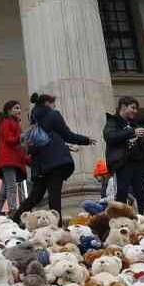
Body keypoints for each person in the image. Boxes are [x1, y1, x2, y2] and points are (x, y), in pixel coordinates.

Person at [13, 92, 93, 224]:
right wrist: (85, 140)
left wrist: (66, 147)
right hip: (56, 163)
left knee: (36, 196)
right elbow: (67, 135)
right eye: (53, 103)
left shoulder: (34, 118)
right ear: (47, 103)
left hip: (40, 165)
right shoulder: (53, 115)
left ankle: (15, 219)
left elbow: (45, 142)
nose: (55, 106)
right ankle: (56, 225)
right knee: (54, 195)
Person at [103, 96, 144, 211]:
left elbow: (138, 144)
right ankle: (121, 221)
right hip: (122, 164)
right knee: (121, 195)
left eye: (136, 109)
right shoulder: (113, 121)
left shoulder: (134, 125)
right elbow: (109, 137)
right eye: (133, 108)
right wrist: (132, 132)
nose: (135, 111)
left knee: (143, 196)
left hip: (139, 165)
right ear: (123, 106)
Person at [0, 101, 31, 216]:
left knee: (4, 190)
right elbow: (9, 139)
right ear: (9, 110)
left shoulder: (13, 124)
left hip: (10, 160)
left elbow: (18, 146)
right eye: (16, 108)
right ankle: (13, 210)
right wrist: (23, 136)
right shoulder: (6, 122)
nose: (19, 111)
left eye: (19, 108)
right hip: (8, 159)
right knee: (12, 187)